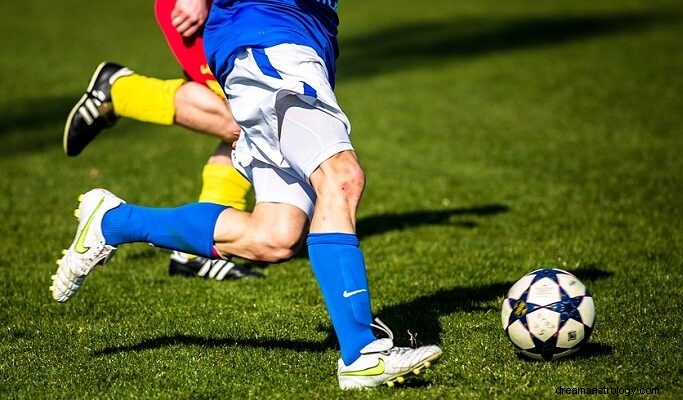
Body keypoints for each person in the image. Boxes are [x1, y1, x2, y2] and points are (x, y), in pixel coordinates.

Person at [51, 0, 442, 389]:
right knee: (340, 177)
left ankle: (114, 221)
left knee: (275, 236)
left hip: (295, 40)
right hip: (269, 34)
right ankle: (361, 354)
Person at [63, 0, 261, 280]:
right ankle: (121, 91)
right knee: (249, 121)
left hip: (246, 14)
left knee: (252, 123)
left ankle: (197, 253)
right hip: (202, 10)